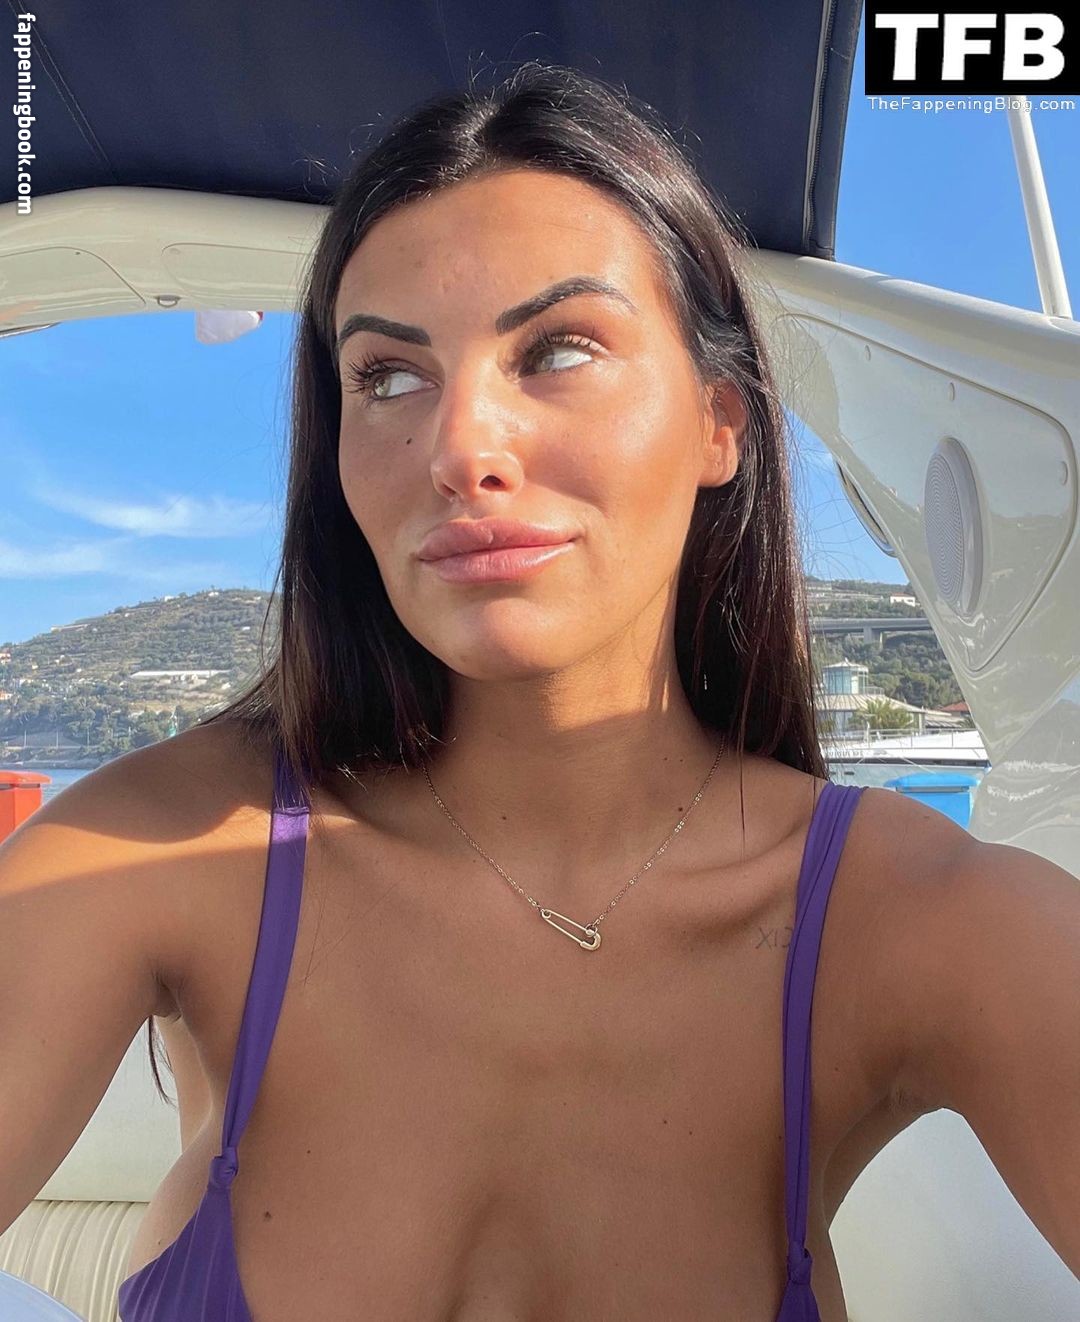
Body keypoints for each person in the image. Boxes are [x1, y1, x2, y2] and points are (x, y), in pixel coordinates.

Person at [3, 60, 1077, 1322]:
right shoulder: (167, 851)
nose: (462, 448)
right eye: (387, 376)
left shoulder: (917, 920)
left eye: (559, 349)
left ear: (721, 420)